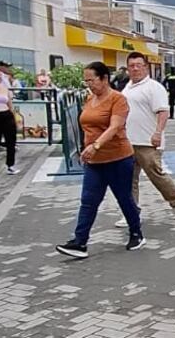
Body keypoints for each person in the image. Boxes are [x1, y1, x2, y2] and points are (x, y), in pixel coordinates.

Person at [56, 63, 143, 257]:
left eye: (91, 80)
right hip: (94, 163)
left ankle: (136, 232)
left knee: (124, 199)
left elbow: (114, 128)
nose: (89, 85)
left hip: (118, 158)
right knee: (88, 201)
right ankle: (80, 242)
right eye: (85, 80)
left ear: (104, 78)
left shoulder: (118, 99)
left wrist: (96, 146)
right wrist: (83, 149)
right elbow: (86, 127)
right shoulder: (89, 99)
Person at [123, 51, 175, 216]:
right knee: (128, 179)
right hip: (129, 141)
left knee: (155, 174)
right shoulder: (127, 87)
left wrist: (158, 133)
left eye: (138, 65)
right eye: (131, 66)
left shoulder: (154, 87)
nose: (135, 69)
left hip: (148, 141)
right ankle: (131, 212)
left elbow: (163, 112)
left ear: (146, 67)